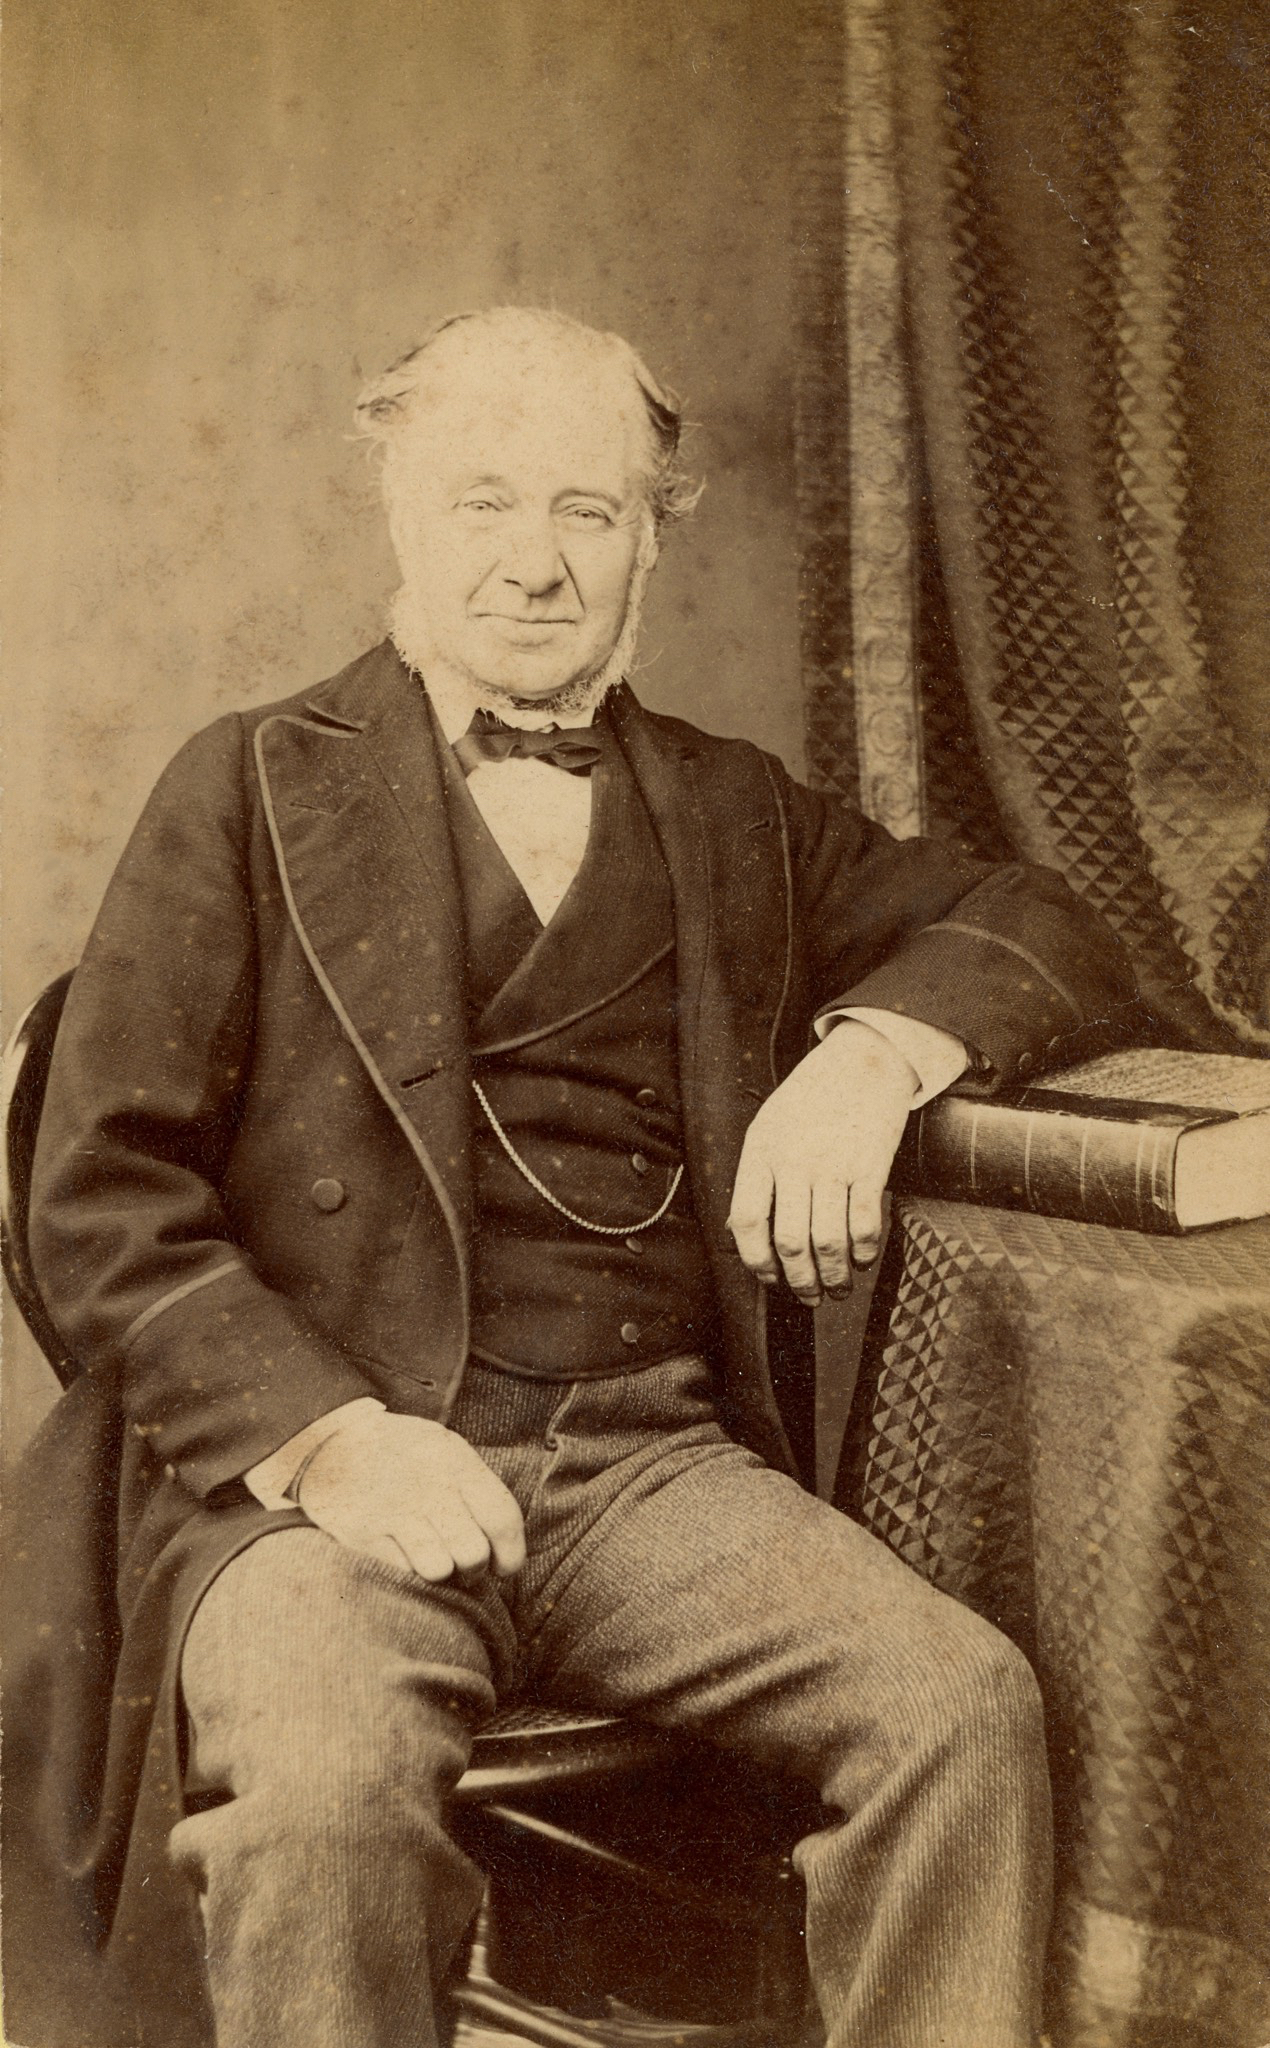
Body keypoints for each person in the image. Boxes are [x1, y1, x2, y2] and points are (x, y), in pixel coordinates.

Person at [6, 307, 1134, 2048]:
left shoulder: (735, 810)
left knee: (959, 1713)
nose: (532, 563)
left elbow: (1040, 920)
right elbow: (98, 1202)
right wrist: (334, 1441)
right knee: (324, 1806)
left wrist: (871, 1057)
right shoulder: (244, 782)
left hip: (642, 1466)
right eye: (481, 503)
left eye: (584, 512)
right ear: (400, 513)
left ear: (649, 542)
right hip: (320, 1480)